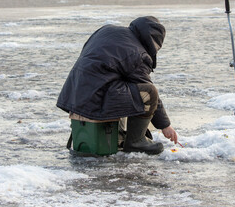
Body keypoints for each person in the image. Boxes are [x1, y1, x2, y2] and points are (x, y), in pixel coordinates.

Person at [56, 16, 178, 155]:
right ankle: (136, 142)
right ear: (153, 40)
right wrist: (165, 125)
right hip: (95, 97)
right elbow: (148, 90)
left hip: (75, 93)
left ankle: (120, 134)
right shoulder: (137, 53)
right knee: (148, 92)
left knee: (125, 86)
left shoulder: (107, 30)